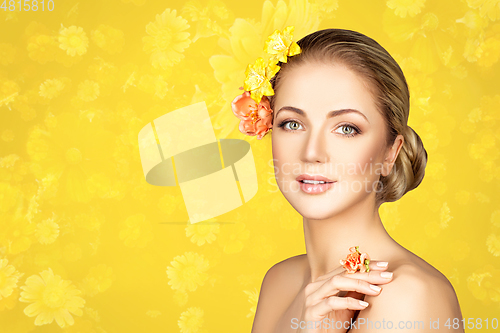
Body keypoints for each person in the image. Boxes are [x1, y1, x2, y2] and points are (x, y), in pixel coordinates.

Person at [235, 28, 464, 332]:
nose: (312, 152)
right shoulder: (280, 281)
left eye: (346, 128)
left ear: (390, 153)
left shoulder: (407, 297)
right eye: (292, 123)